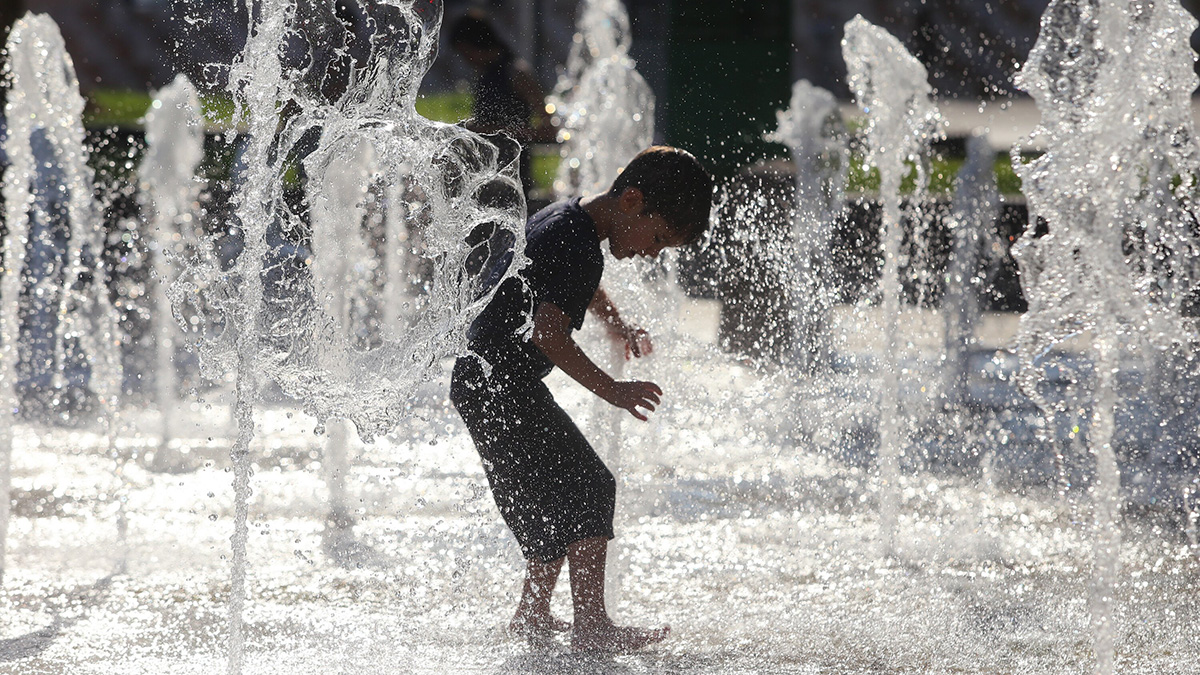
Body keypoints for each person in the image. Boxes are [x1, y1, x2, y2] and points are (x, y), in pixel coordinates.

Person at [450, 146, 713, 652]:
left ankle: (532, 615)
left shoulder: (569, 220)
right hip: (501, 384)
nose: (651, 253)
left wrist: (615, 323)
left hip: (483, 381)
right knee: (591, 485)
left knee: (543, 503)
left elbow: (576, 287)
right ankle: (591, 626)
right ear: (633, 201)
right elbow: (549, 335)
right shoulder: (577, 243)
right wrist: (612, 390)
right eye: (657, 239)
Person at [448, 9, 556, 202]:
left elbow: (549, 130)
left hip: (513, 177)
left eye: (465, 53)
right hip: (484, 175)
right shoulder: (486, 74)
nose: (466, 60)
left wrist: (493, 131)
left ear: (477, 44)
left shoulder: (516, 73)